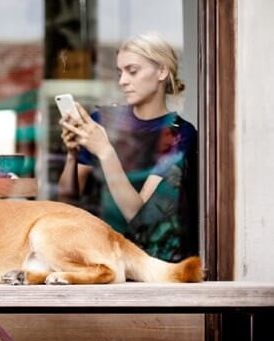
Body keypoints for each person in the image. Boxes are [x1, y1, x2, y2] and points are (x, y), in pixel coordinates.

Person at [58, 32, 198, 262]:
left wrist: (105, 152)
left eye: (132, 71)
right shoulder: (102, 121)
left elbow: (138, 215)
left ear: (162, 71)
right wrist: (72, 155)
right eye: (120, 72)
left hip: (150, 261)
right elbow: (67, 197)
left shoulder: (179, 134)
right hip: (97, 253)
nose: (123, 80)